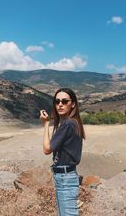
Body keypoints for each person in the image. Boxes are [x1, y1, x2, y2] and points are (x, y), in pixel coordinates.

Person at [40, 88, 86, 216]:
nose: (60, 104)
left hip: (65, 178)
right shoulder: (73, 123)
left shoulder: (68, 124)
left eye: (65, 101)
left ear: (73, 104)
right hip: (67, 176)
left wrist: (46, 124)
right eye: (57, 101)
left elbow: (46, 149)